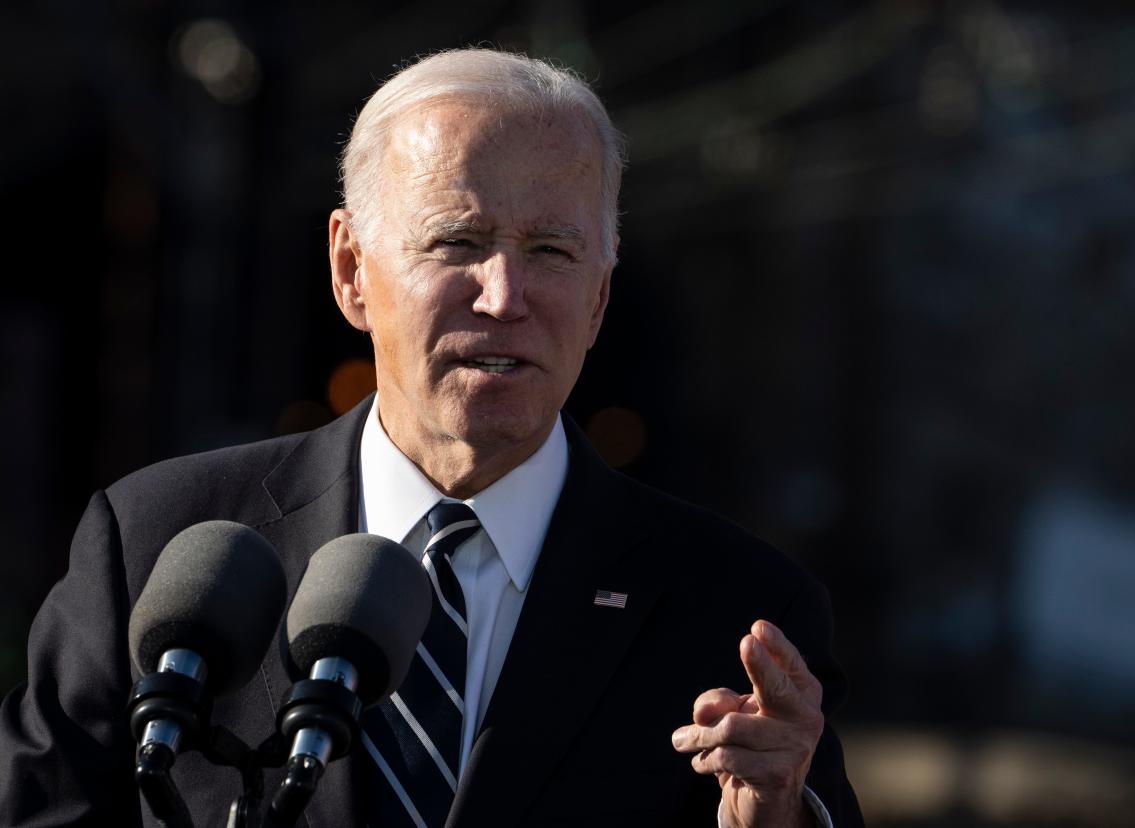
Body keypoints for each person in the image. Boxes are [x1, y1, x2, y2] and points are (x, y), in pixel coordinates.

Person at [0, 48, 863, 827]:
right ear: (351, 271)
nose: (503, 296)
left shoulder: (736, 612)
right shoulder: (158, 543)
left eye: (553, 252)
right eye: (459, 241)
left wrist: (778, 822)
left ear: (600, 297)